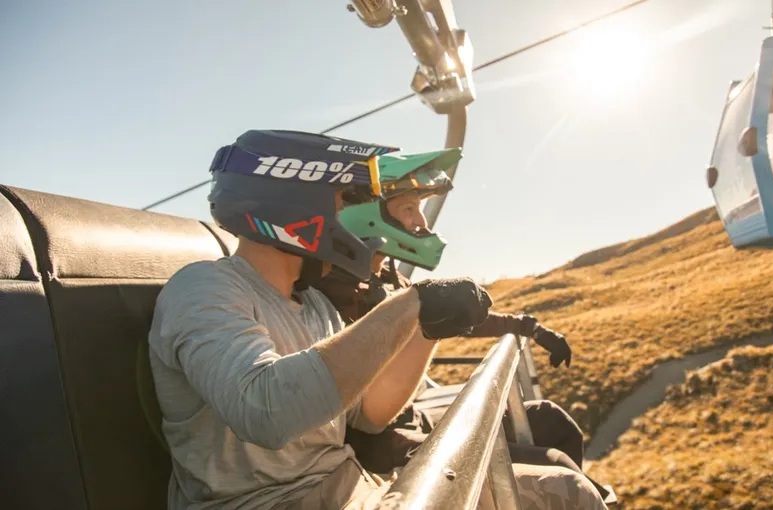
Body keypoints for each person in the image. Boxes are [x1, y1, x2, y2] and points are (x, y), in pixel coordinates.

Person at [148, 130, 607, 510]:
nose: (354, 220)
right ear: (293, 204)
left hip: (353, 489)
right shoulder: (204, 288)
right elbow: (265, 411)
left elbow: (367, 415)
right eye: (343, 202)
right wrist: (408, 305)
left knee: (568, 494)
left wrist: (426, 328)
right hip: (270, 504)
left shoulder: (314, 307)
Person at [317, 148, 615, 502]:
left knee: (553, 421)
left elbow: (454, 318)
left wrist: (529, 327)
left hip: (415, 417)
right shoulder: (338, 289)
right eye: (409, 209)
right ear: (369, 213)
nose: (422, 224)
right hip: (384, 445)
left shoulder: (386, 276)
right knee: (559, 471)